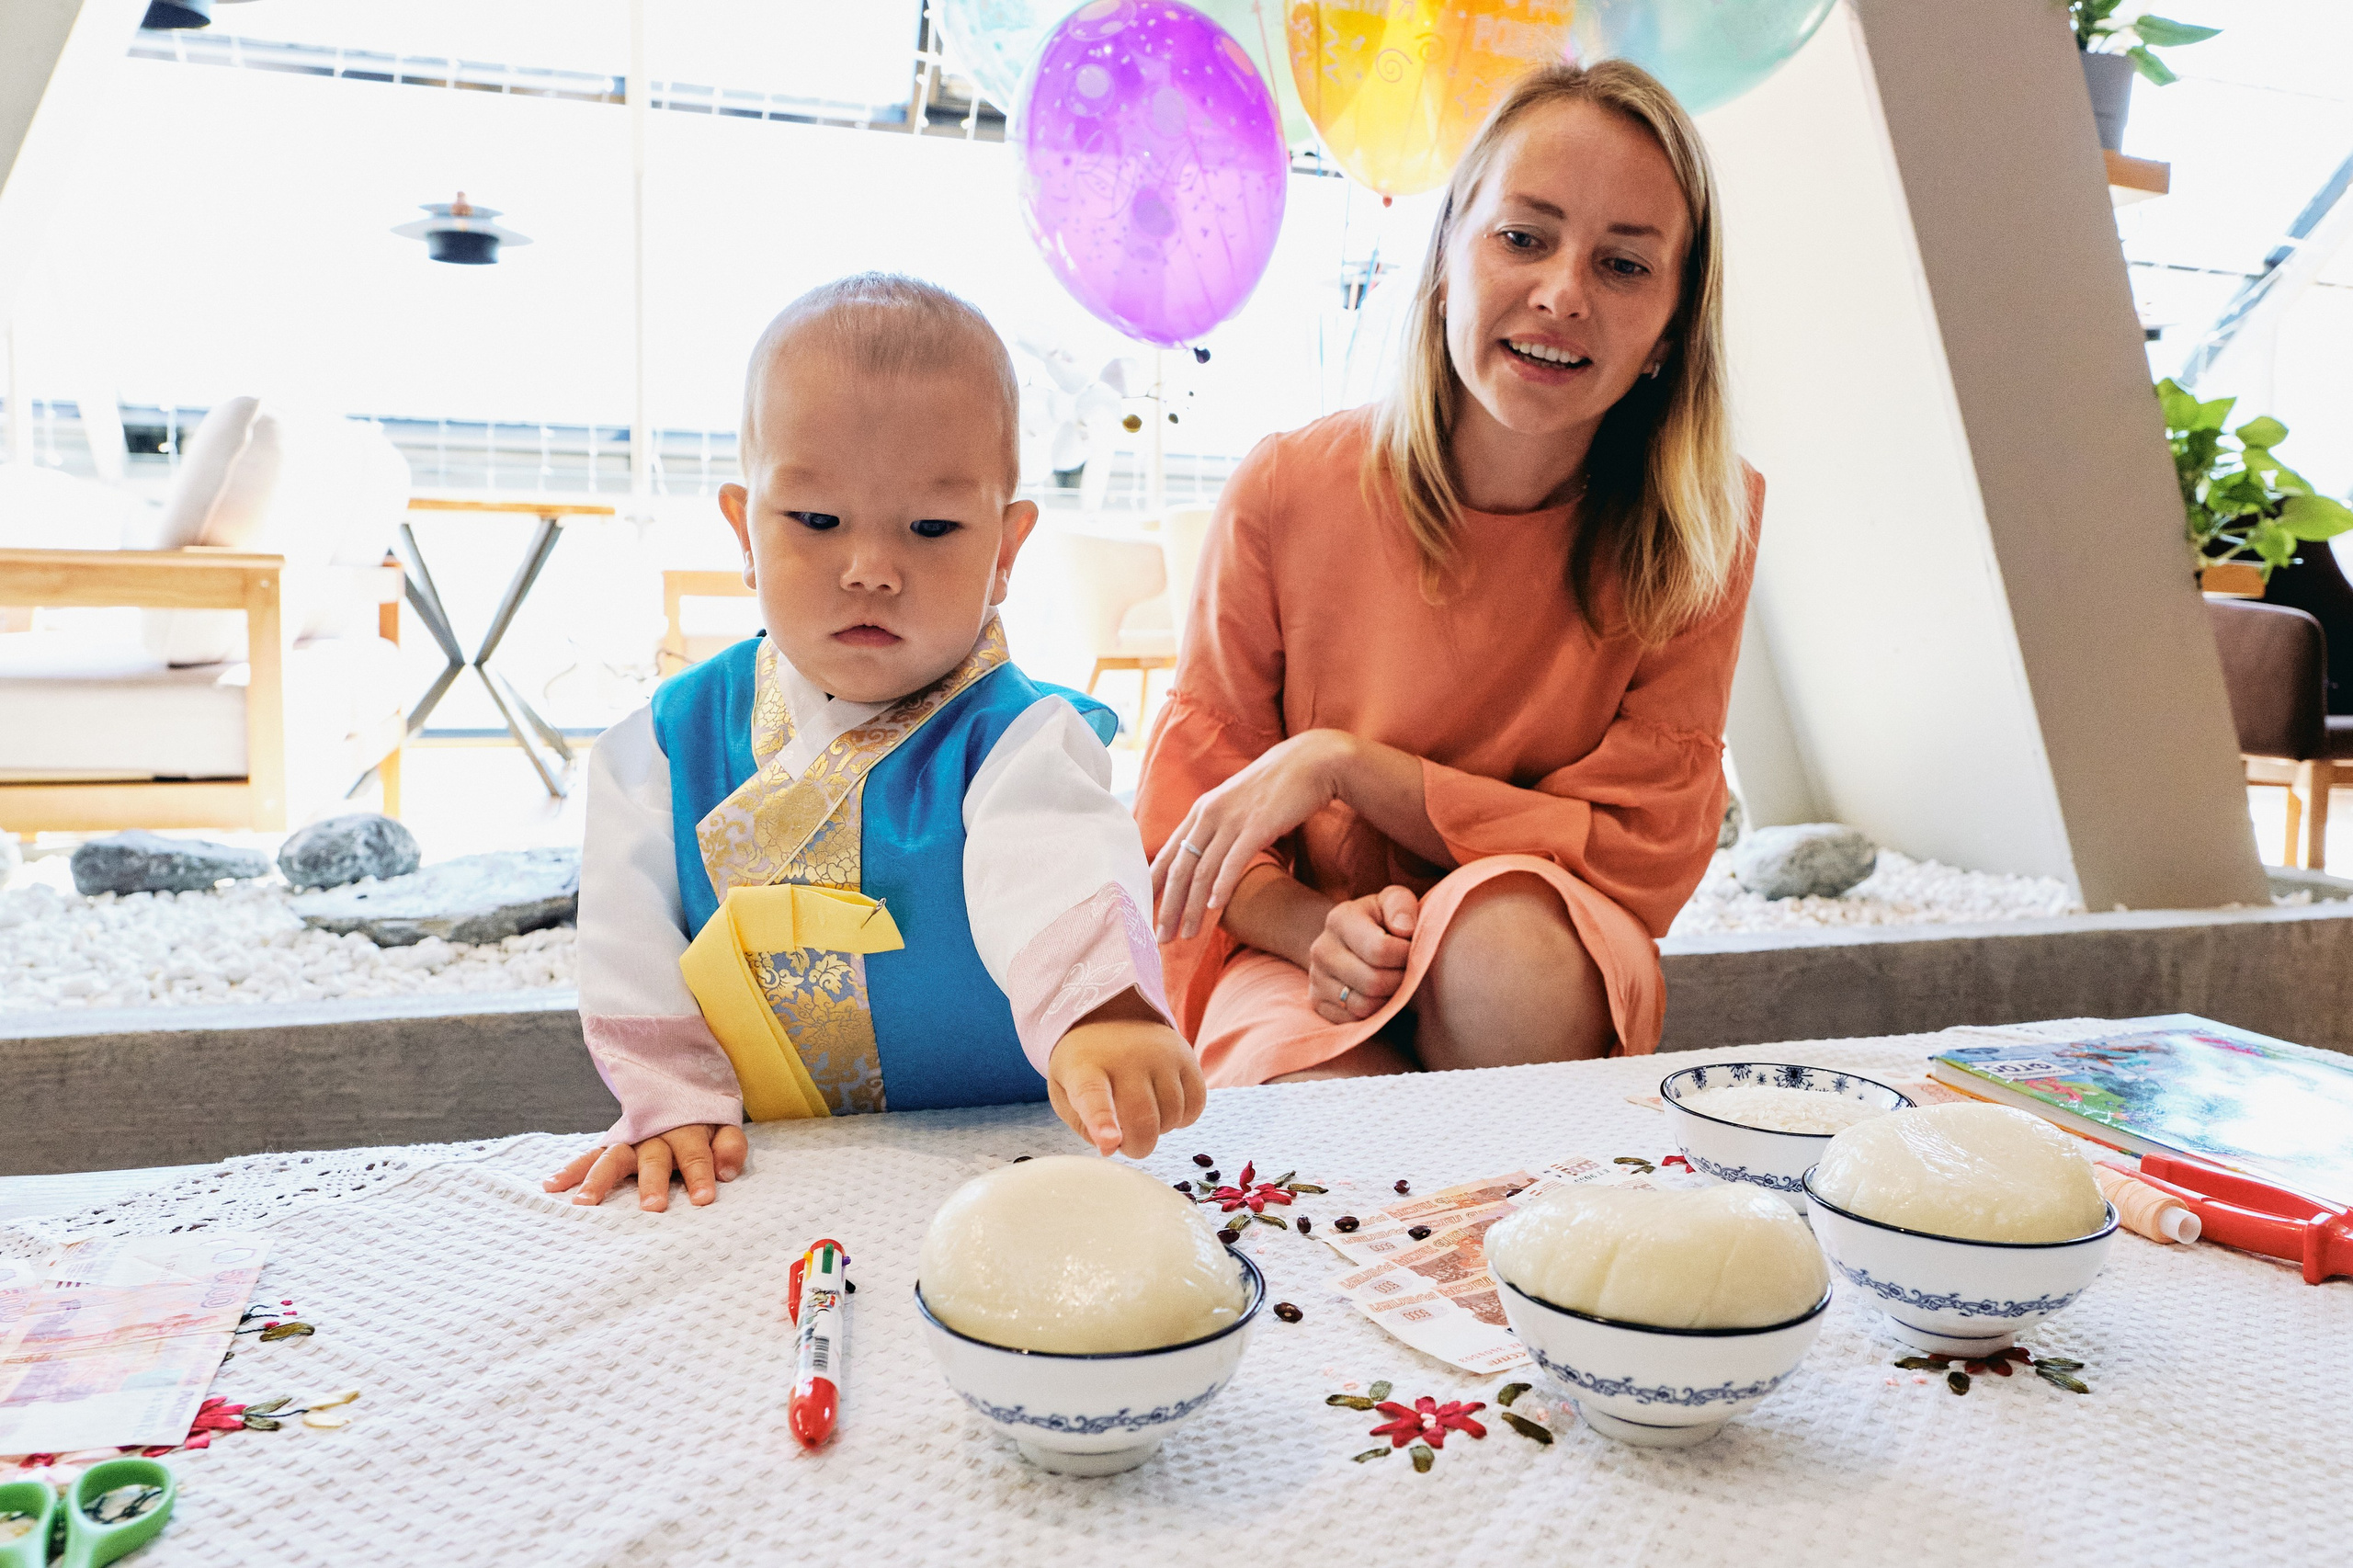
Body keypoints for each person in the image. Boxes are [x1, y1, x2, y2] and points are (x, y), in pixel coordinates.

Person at [1135, 60, 1761, 1085]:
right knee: (1320, 1144)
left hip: (1537, 951)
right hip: (1306, 942)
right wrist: (1319, 927)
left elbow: (1639, 849)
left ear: (1669, 332)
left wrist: (1344, 765)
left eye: (1624, 265)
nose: (1561, 293)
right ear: (1442, 265)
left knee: (1502, 945)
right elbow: (1193, 828)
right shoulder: (1288, 487)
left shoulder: (1704, 526)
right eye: (1523, 237)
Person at [547, 275, 1199, 1211]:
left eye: (933, 527)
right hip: (755, 1165)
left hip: (1001, 1154)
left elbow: (1053, 859)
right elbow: (627, 930)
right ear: (743, 528)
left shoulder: (1019, 740)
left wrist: (1101, 1015)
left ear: (1007, 548)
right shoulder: (663, 742)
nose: (870, 569)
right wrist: (674, 1097)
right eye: (815, 521)